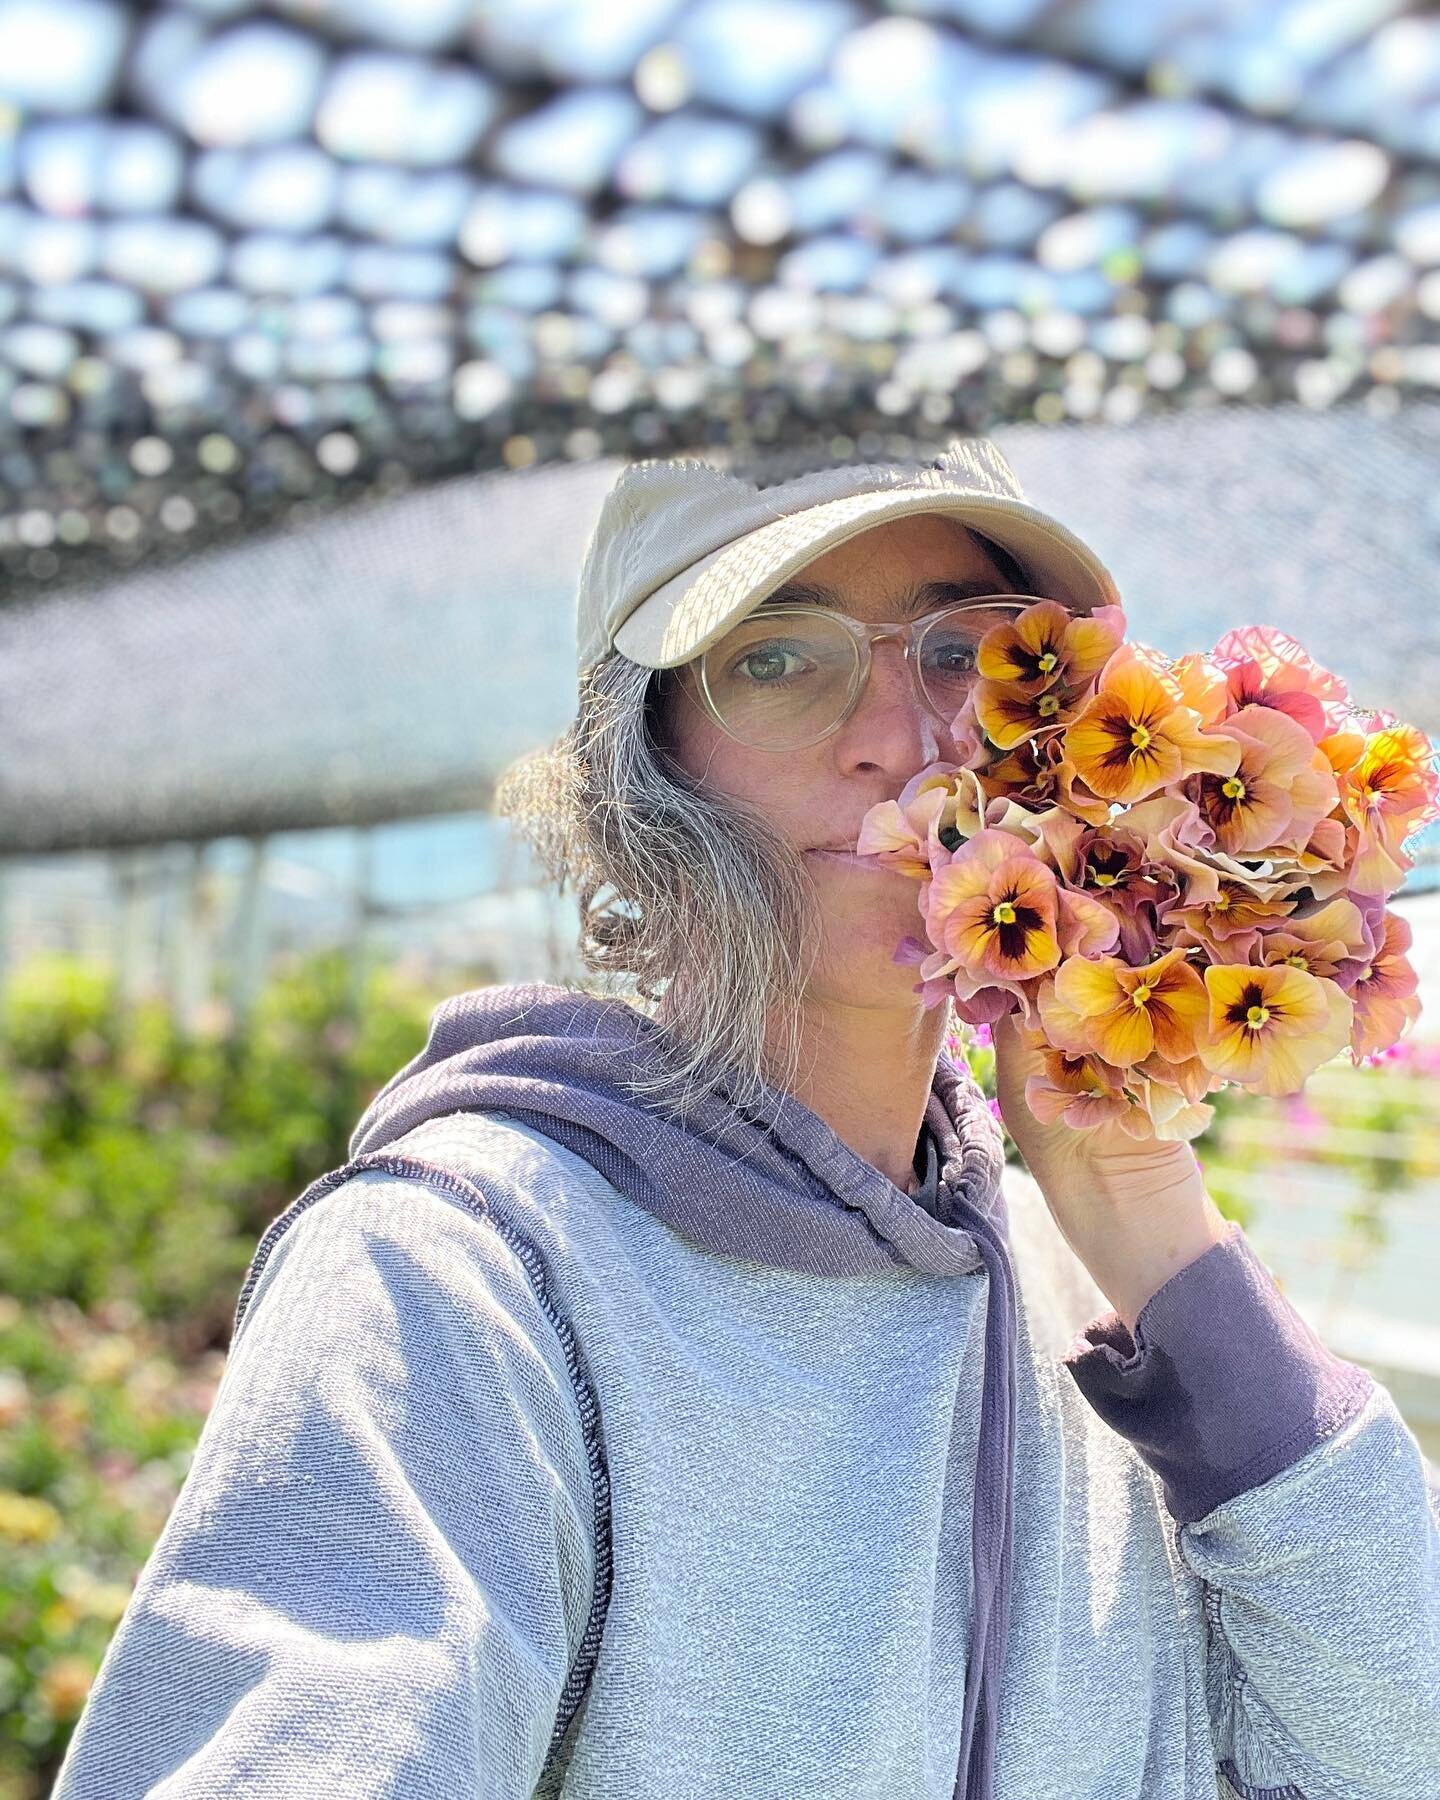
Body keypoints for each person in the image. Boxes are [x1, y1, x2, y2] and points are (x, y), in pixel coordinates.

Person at [52, 438, 1440, 1799]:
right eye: (777, 658)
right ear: (637, 771)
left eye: (969, 653)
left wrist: (1147, 1212)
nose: (901, 739)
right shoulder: (465, 1280)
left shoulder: (1099, 1295)